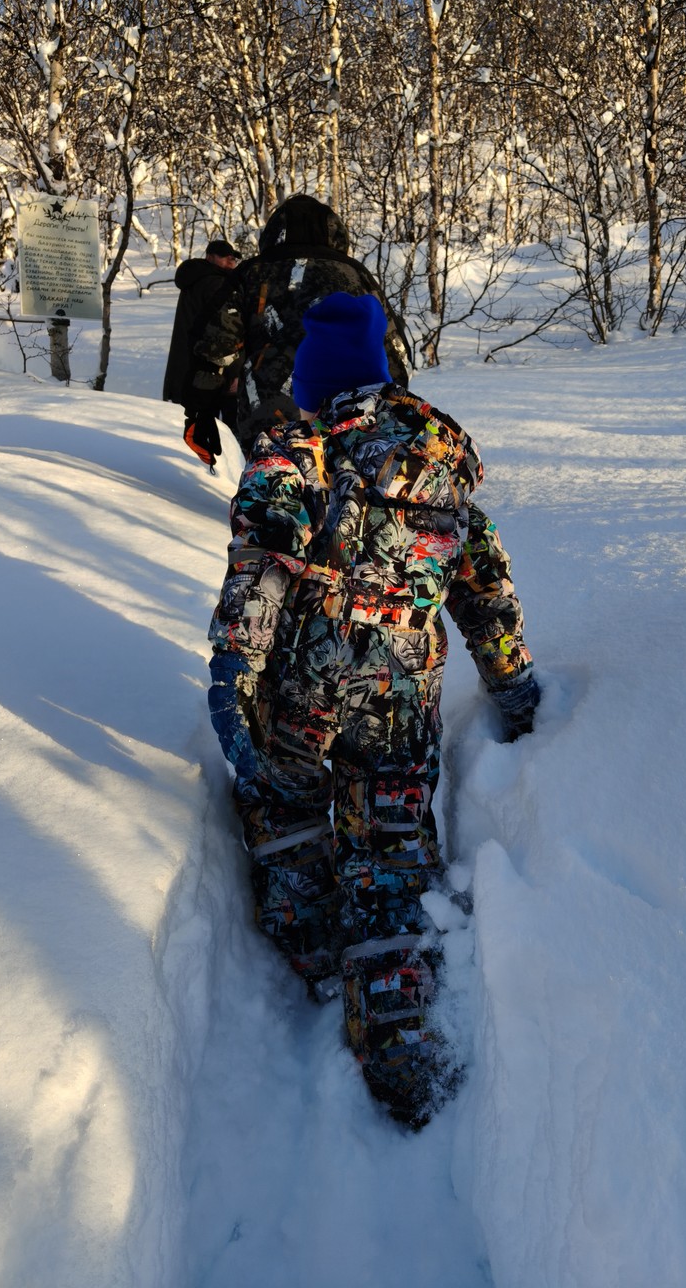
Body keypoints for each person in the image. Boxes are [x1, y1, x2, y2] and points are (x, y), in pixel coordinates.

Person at [206, 291, 540, 1128]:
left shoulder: (298, 444)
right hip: (400, 700)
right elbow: (485, 589)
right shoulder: (445, 455)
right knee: (389, 851)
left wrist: (234, 671)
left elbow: (264, 558)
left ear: (316, 375)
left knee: (282, 804)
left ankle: (313, 950)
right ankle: (398, 1042)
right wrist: (513, 688)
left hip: (302, 692)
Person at [192, 195, 413, 453]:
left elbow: (216, 349)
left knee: (272, 485)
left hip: (267, 414)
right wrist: (394, 409)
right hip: (348, 415)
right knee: (342, 486)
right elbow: (394, 352)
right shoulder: (355, 275)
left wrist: (199, 411)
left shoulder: (250, 273)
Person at [162, 238, 244, 470]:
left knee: (197, 420)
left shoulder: (194, 280)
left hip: (189, 364)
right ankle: (224, 475)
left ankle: (207, 468)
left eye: (234, 258)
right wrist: (236, 372)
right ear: (210, 257)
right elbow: (230, 332)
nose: (232, 261)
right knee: (225, 433)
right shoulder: (216, 284)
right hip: (216, 368)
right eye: (226, 256)